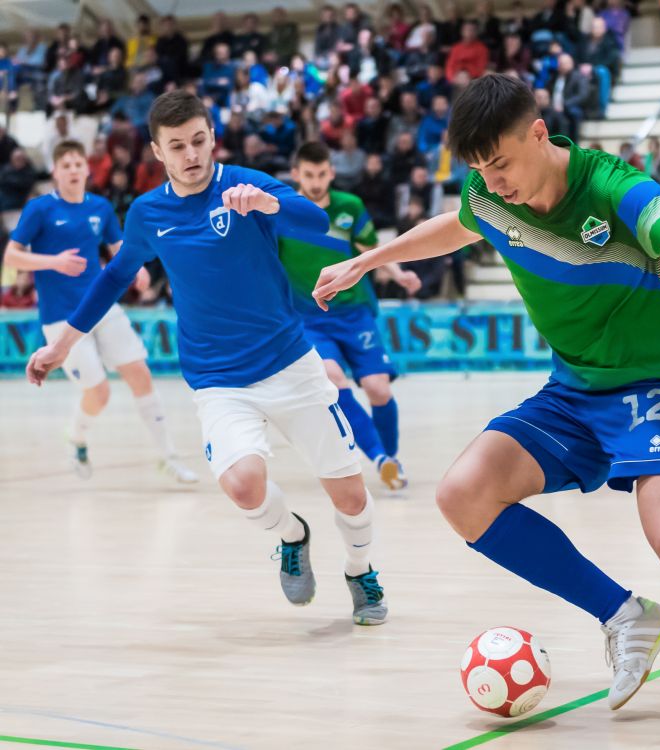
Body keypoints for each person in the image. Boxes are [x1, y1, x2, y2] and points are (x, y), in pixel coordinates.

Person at [312, 74, 660, 735]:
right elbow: (459, 227)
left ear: (537, 133)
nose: (492, 183)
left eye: (500, 164)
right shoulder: (487, 194)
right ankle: (624, 615)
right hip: (574, 388)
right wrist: (369, 260)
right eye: (478, 170)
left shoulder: (611, 186)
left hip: (656, 383)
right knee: (462, 494)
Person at [25, 92, 388, 626]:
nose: (191, 153)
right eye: (177, 146)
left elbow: (315, 221)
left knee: (351, 496)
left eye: (199, 140)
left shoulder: (245, 184)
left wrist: (269, 205)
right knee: (243, 485)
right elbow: (114, 277)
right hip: (218, 380)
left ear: (213, 138)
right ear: (157, 151)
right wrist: (62, 344)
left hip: (290, 363)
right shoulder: (147, 213)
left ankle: (360, 569)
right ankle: (293, 535)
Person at [5, 140, 195, 482]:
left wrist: (136, 268)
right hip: (61, 318)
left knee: (140, 374)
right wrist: (53, 262)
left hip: (102, 307)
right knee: (99, 393)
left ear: (87, 170)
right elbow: (11, 256)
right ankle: (76, 437)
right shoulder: (39, 209)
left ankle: (169, 457)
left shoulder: (100, 207)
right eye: (66, 165)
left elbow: (119, 247)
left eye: (78, 164)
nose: (73, 170)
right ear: (55, 172)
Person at [280, 142, 419, 489]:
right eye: (308, 175)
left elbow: (371, 251)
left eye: (321, 174)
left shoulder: (350, 207)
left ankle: (391, 460)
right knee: (332, 377)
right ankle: (380, 458)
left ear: (331, 172)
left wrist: (399, 274)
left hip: (355, 313)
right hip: (309, 317)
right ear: (296, 174)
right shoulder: (282, 212)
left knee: (378, 389)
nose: (316, 182)